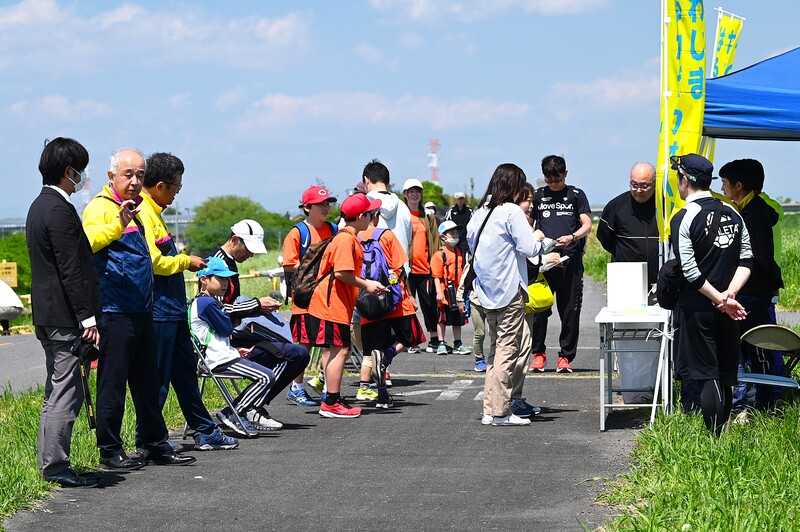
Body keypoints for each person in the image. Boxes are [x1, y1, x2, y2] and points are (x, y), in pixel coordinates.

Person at [82, 148, 195, 469]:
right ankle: (109, 450)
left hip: (143, 309)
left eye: (140, 176)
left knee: (148, 382)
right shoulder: (100, 208)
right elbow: (87, 243)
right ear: (111, 176)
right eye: (127, 175)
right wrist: (118, 224)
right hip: (115, 310)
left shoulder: (135, 207)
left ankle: (154, 443)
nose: (134, 182)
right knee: (113, 383)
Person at [138, 152, 238, 451]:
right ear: (159, 185)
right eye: (176, 187)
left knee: (184, 374)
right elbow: (154, 262)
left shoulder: (154, 212)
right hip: (160, 310)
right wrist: (186, 261)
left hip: (173, 310)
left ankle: (204, 429)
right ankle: (149, 440)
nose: (178, 192)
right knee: (158, 379)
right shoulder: (143, 212)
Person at [26, 137, 103, 487]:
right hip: (65, 317)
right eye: (80, 170)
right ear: (69, 171)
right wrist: (87, 318)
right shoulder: (59, 210)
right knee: (65, 392)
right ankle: (56, 466)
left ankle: (49, 462)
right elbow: (70, 269)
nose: (82, 177)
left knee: (55, 389)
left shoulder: (37, 206)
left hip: (46, 314)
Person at [669, 153, 752, 437]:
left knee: (707, 375)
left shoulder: (683, 217)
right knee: (727, 374)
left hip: (700, 307)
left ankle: (714, 441)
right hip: (730, 305)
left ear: (684, 180)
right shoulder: (733, 212)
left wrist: (719, 299)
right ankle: (723, 437)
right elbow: (747, 260)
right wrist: (730, 296)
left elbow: (690, 272)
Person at [467, 163, 548, 427]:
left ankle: (490, 410)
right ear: (513, 185)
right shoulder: (510, 211)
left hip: (487, 290)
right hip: (510, 289)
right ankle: (501, 411)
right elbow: (529, 247)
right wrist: (539, 238)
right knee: (507, 350)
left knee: (495, 350)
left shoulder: (479, 212)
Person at [212, 220, 310, 430]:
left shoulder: (228, 262)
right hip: (224, 345)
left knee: (297, 352)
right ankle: (242, 409)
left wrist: (263, 313)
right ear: (235, 240)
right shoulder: (217, 262)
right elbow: (216, 310)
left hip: (234, 338)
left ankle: (249, 407)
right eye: (248, 248)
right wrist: (257, 305)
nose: (251, 255)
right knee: (296, 354)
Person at [307, 193, 387, 418]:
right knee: (340, 350)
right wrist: (367, 285)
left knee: (333, 349)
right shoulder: (346, 239)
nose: (372, 217)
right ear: (361, 216)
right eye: (370, 213)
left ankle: (330, 397)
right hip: (332, 304)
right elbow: (342, 273)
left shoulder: (344, 237)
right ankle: (331, 402)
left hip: (332, 303)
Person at [719, 159, 783, 416]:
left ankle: (764, 405)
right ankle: (755, 402)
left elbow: (761, 257)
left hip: (756, 292)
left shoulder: (754, 215)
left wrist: (772, 281)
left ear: (739, 185)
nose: (722, 189)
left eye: (724, 184)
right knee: (750, 350)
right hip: (753, 291)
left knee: (760, 349)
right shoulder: (747, 210)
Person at [189, 258, 278, 434]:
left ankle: (236, 411)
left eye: (226, 279)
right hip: (217, 360)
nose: (225, 283)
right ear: (204, 279)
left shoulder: (207, 301)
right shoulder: (206, 303)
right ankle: (234, 412)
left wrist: (235, 349)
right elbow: (227, 328)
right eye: (220, 278)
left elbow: (218, 334)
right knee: (266, 377)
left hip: (221, 355)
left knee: (266, 374)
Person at [357, 206, 426, 408]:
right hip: (394, 299)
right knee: (411, 336)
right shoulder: (385, 235)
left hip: (367, 301)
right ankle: (387, 355)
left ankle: (378, 393)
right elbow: (400, 267)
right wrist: (410, 296)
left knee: (370, 351)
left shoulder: (354, 238)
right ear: (374, 216)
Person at [529, 155, 592, 374]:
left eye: (557, 179)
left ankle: (565, 357)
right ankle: (538, 354)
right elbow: (528, 225)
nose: (553, 184)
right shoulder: (538, 196)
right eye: (549, 180)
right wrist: (535, 237)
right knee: (538, 310)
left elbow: (587, 224)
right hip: (543, 264)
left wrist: (573, 237)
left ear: (566, 174)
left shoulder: (576, 195)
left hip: (570, 263)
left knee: (570, 312)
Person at [282, 185, 338, 406]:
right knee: (304, 344)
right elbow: (289, 263)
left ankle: (328, 389)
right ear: (307, 207)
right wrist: (316, 271)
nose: (326, 207)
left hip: (327, 298)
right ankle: (297, 387)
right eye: (320, 204)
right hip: (305, 299)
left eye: (327, 203)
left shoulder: (334, 230)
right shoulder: (298, 233)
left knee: (328, 343)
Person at [597, 162, 660, 288]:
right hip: (625, 277)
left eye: (644, 186)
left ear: (654, 183)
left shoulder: (664, 205)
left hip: (659, 277)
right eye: (634, 185)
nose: (638, 190)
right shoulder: (616, 206)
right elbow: (604, 236)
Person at [403, 178, 443, 353]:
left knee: (429, 304)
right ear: (405, 194)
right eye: (411, 191)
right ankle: (411, 341)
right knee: (408, 305)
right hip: (407, 269)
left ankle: (434, 339)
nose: (414, 194)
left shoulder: (428, 216)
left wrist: (435, 264)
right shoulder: (402, 216)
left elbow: (435, 241)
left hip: (425, 268)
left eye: (417, 191)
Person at [430, 220, 469, 355]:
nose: (455, 235)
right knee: (442, 318)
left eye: (456, 232)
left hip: (457, 291)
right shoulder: (439, 254)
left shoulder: (460, 252)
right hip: (445, 291)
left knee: (458, 318)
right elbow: (436, 276)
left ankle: (458, 343)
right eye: (451, 233)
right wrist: (439, 292)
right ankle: (441, 343)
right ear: (442, 237)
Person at [363, 159, 413, 257]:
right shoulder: (403, 206)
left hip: (372, 269)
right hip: (400, 269)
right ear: (388, 181)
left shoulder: (364, 205)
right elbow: (409, 239)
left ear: (366, 180)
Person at [445, 191, 473, 256]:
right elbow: (446, 223)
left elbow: (473, 223)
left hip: (465, 238)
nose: (460, 200)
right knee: (452, 254)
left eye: (462, 198)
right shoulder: (451, 210)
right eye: (459, 199)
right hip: (453, 238)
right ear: (455, 200)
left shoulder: (469, 210)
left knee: (463, 255)